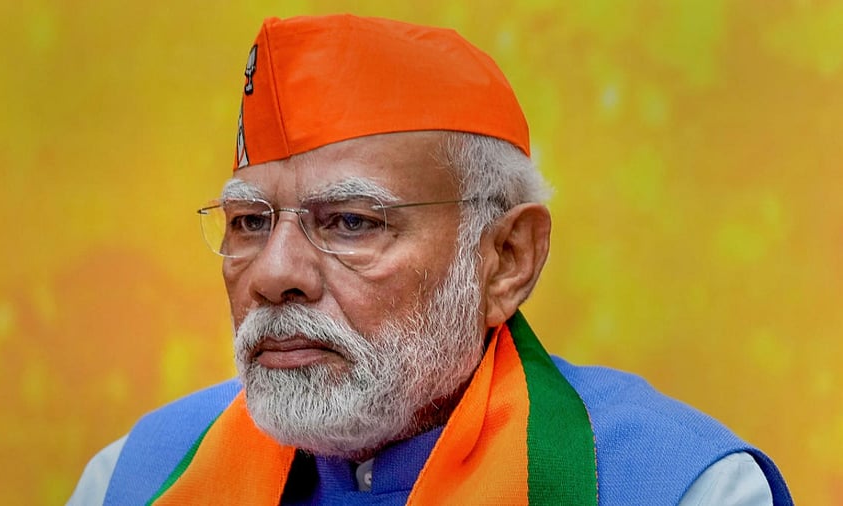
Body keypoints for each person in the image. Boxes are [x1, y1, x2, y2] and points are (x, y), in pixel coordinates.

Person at [69, 14, 792, 505]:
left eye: (350, 221)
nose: (271, 273)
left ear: (506, 258)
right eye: (250, 221)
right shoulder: (134, 479)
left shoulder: (674, 487)